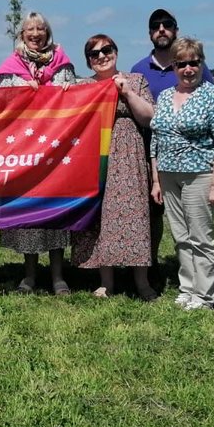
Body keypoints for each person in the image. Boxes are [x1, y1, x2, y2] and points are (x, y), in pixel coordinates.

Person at [0, 11, 77, 295]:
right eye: (30, 29)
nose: (36, 33)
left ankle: (58, 276)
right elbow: (1, 103)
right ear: (22, 34)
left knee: (54, 212)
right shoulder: (10, 67)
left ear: (48, 32)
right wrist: (22, 92)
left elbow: (75, 101)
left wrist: (70, 89)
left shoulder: (63, 64)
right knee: (29, 214)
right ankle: (29, 275)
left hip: (55, 149)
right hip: (24, 150)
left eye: (41, 28)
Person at [70, 35, 158, 300]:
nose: (101, 56)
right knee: (101, 217)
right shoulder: (83, 86)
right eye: (93, 53)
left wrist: (126, 92)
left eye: (106, 50)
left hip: (127, 156)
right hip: (94, 156)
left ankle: (141, 281)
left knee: (134, 214)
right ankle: (106, 280)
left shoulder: (135, 80)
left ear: (116, 52)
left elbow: (149, 117)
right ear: (88, 61)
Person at [131, 8, 214, 282]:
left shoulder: (194, 67)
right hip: (149, 152)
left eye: (167, 25)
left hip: (194, 160)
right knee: (152, 213)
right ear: (150, 33)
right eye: (156, 26)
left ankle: (198, 279)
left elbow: (212, 111)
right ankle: (150, 263)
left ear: (175, 30)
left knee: (193, 220)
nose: (162, 30)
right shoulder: (139, 69)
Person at [149, 38, 214, 311]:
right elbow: (156, 140)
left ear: (201, 63)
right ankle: (187, 288)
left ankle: (205, 295)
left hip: (200, 174)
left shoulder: (213, 95)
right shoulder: (164, 96)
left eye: (193, 63)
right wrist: (155, 180)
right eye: (181, 63)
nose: (187, 69)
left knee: (200, 237)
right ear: (173, 66)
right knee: (181, 236)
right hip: (168, 174)